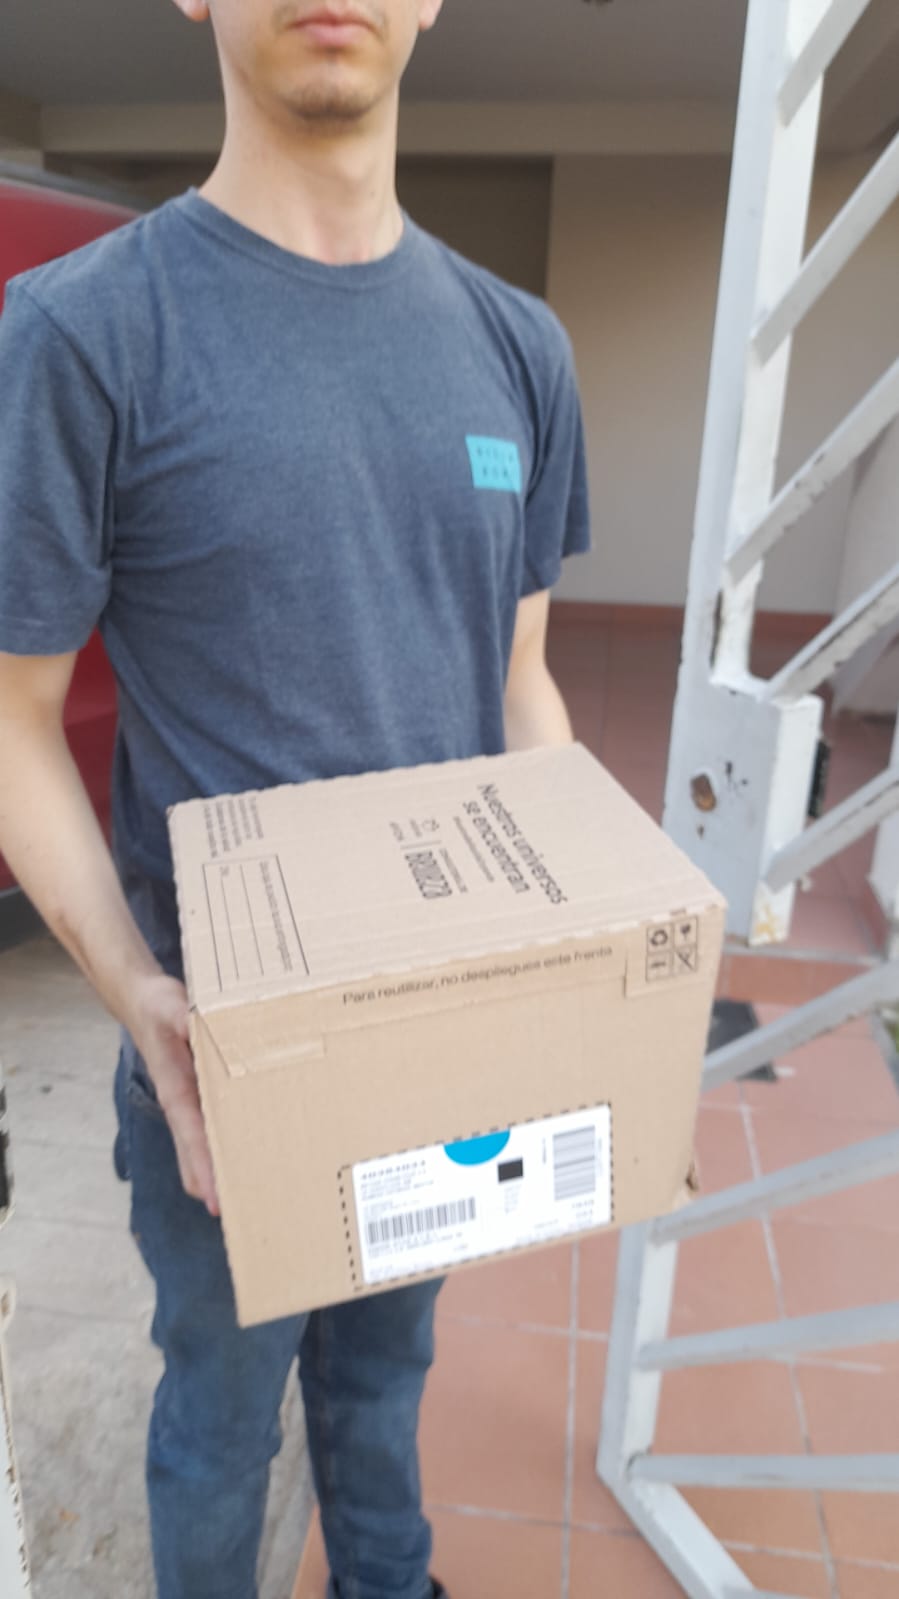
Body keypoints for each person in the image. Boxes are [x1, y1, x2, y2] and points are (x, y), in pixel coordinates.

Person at [0, 2, 590, 1595]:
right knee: (219, 1421)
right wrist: (140, 997)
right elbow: (13, 720)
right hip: (223, 1057)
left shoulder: (517, 346)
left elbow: (520, 684)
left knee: (386, 1381)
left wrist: (577, 953)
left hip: (436, 1040)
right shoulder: (86, 334)